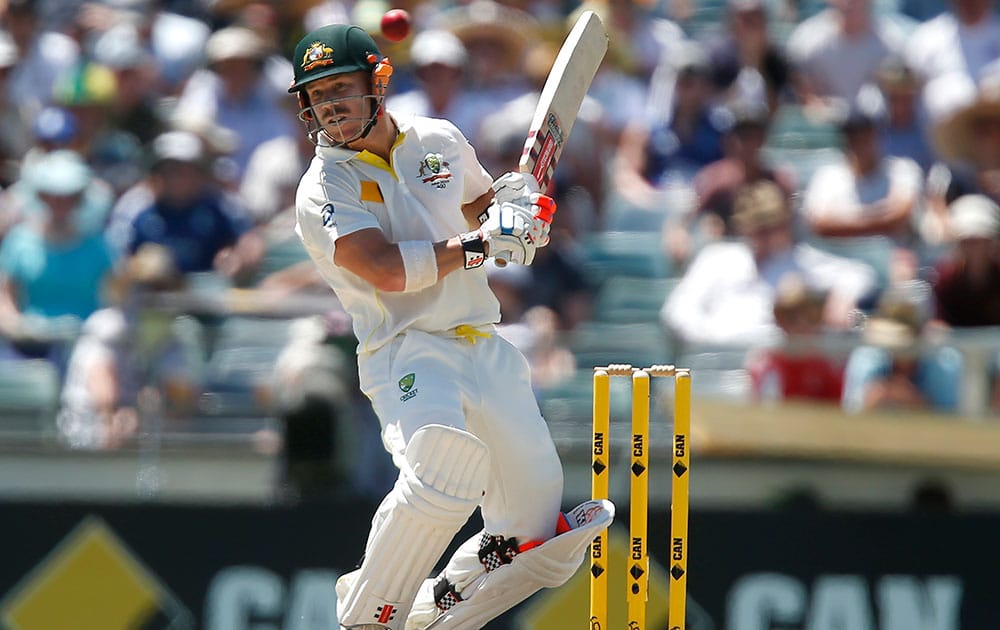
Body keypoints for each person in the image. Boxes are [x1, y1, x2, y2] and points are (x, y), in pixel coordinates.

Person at [285, 24, 612, 630]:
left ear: (377, 83)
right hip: (408, 352)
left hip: (485, 343)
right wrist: (480, 244)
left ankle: (434, 610)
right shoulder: (323, 188)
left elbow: (482, 211)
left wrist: (514, 213)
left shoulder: (437, 139)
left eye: (341, 87)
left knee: (535, 542)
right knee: (440, 475)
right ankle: (367, 617)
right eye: (316, 94)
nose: (329, 104)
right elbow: (384, 269)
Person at [662, 180, 878, 348]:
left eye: (772, 226)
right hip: (717, 357)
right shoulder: (717, 257)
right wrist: (711, 338)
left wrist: (843, 297)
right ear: (742, 227)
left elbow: (860, 274)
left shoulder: (799, 261)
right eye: (757, 226)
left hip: (773, 361)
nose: (766, 235)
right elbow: (676, 311)